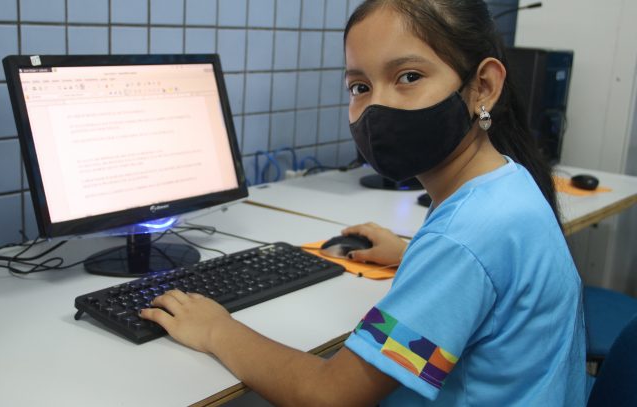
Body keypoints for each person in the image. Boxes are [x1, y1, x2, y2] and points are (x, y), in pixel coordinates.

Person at [139, 0, 586, 405]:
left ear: (483, 86)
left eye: (408, 77)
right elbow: (490, 277)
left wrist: (216, 329)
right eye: (359, 87)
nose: (377, 108)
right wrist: (415, 258)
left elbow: (332, 395)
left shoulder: (465, 239)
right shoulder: (506, 185)